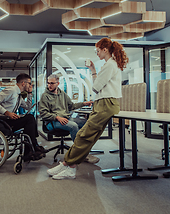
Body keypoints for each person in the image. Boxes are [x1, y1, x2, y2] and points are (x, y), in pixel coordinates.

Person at [47, 37, 129, 180]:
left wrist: (94, 73)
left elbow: (96, 87)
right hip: (104, 103)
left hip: (105, 103)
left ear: (105, 50)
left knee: (83, 136)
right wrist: (93, 70)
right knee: (87, 137)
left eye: (97, 51)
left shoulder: (110, 65)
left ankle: (68, 165)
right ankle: (68, 165)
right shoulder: (109, 65)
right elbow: (97, 85)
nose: (96, 53)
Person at [38, 74, 99, 164]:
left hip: (66, 119)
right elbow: (43, 113)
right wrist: (57, 117)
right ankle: (81, 154)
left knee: (87, 123)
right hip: (52, 122)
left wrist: (84, 104)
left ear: (58, 83)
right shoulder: (45, 96)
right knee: (73, 126)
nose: (49, 85)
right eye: (48, 83)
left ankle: (83, 150)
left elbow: (72, 106)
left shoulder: (63, 94)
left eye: (52, 83)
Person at [0, 73, 47, 161]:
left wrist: (30, 93)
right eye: (29, 83)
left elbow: (28, 106)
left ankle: (31, 148)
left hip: (7, 120)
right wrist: (7, 113)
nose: (30, 85)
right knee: (29, 118)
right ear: (23, 83)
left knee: (30, 118)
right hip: (1, 120)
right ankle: (33, 147)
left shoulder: (19, 95)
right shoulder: (11, 91)